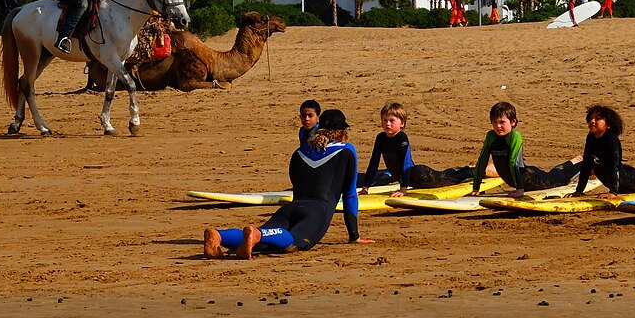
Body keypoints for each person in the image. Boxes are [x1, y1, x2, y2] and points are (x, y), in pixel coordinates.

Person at [203, 109, 373, 259]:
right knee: (294, 241)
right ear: (342, 132)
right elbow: (350, 195)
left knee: (262, 244)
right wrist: (354, 236)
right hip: (317, 211)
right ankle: (257, 233)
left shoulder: (299, 153)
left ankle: (219, 236)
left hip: (291, 208)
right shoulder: (346, 150)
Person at [359, 101, 474, 196]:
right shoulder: (380, 138)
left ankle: (472, 172)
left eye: (392, 120)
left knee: (446, 180)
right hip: (406, 179)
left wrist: (403, 189)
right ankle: (463, 168)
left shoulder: (401, 138)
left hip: (419, 176)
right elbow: (374, 163)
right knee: (443, 174)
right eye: (385, 120)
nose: (387, 124)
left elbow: (405, 162)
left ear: (402, 123)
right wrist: (366, 187)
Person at [471, 101, 582, 198]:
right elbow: (482, 162)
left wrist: (520, 189)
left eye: (502, 122)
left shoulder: (515, 136)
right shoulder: (491, 136)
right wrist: (476, 189)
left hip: (531, 178)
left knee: (560, 179)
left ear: (513, 122)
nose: (498, 126)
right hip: (519, 182)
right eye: (494, 122)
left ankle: (585, 164)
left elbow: (514, 163)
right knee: (554, 173)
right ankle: (573, 161)